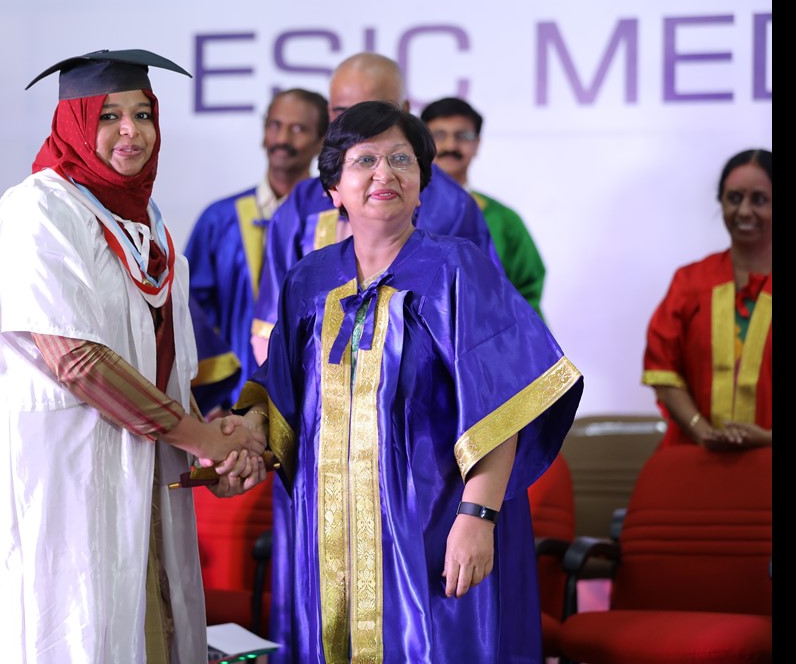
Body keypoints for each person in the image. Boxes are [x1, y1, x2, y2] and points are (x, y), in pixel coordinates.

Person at [0, 48, 267, 663]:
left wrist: (214, 445)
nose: (131, 132)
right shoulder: (40, 209)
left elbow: (160, 363)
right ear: (73, 122)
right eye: (108, 116)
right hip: (58, 481)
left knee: (144, 627)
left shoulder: (146, 225)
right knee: (73, 632)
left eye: (143, 114)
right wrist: (203, 438)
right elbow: (77, 361)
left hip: (135, 468)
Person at [234, 100, 584, 663]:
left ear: (422, 185)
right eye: (364, 160)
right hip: (334, 534)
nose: (385, 173)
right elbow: (279, 395)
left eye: (401, 159)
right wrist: (241, 439)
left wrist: (477, 517)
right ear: (334, 189)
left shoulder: (458, 269)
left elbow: (504, 404)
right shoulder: (308, 282)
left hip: (435, 527)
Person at [250, 52, 501, 366]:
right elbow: (272, 330)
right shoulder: (302, 204)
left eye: (374, 111)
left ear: (404, 111)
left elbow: (483, 331)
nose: (358, 124)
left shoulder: (453, 206)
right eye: (343, 112)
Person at [185, 87, 329, 415]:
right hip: (230, 400)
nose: (282, 139)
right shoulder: (219, 219)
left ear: (321, 141)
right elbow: (191, 311)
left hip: (313, 398)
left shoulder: (332, 220)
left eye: (298, 128)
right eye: (275, 125)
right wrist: (211, 396)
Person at [642, 149, 772, 449]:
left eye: (759, 199)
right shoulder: (690, 281)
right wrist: (702, 431)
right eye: (734, 198)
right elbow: (664, 372)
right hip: (697, 455)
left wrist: (766, 441)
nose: (744, 212)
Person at [421, 96, 547, 318]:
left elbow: (527, 290)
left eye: (462, 136)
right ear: (422, 144)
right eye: (439, 135)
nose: (450, 146)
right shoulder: (403, 213)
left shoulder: (503, 219)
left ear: (477, 144)